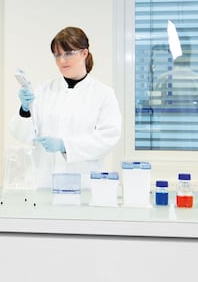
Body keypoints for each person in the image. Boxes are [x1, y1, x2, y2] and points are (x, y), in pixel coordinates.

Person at [9, 27, 123, 187]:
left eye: (69, 53)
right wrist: (25, 110)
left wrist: (66, 145)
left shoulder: (103, 94)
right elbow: (22, 134)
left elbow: (107, 138)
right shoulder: (43, 90)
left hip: (83, 183)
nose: (62, 60)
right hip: (44, 181)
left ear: (84, 53)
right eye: (57, 55)